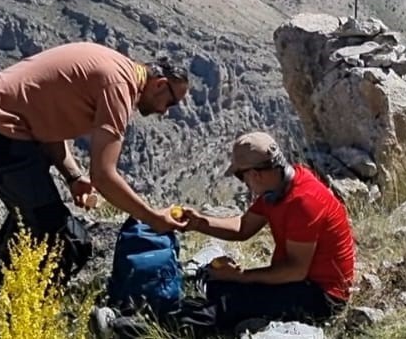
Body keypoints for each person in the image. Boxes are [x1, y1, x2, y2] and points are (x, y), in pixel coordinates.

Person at [0, 41, 190, 292]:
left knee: (36, 212)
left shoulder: (116, 66)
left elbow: (49, 119)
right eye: (170, 103)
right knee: (56, 235)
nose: (165, 112)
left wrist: (73, 176)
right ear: (159, 84)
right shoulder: (119, 86)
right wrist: (151, 217)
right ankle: (0, 295)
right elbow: (104, 176)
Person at [91, 131, 355, 337]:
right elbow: (244, 228)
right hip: (300, 281)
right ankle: (173, 311)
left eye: (243, 178)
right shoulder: (279, 187)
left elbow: (295, 271)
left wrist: (242, 276)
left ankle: (126, 329)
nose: (245, 185)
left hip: (321, 295)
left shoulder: (303, 202)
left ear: (255, 174)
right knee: (219, 286)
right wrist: (199, 222)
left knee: (226, 306)